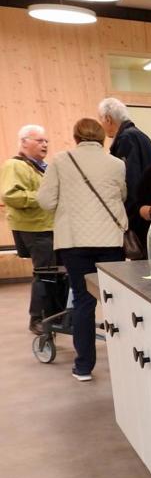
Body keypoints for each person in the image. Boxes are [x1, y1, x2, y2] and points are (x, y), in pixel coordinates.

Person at [38, 118, 127, 381]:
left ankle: (84, 367)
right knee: (115, 302)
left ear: (76, 137)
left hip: (74, 241)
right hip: (110, 240)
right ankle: (126, 362)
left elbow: (45, 201)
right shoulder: (116, 163)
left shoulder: (60, 160)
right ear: (102, 138)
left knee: (83, 302)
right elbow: (121, 195)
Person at [1, 124, 55, 335]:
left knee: (55, 273)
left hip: (50, 226)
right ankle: (38, 318)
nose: (44, 144)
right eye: (39, 140)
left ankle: (54, 314)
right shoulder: (15, 166)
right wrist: (43, 197)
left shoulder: (42, 166)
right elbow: (11, 195)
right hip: (34, 228)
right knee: (44, 273)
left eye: (46, 141)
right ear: (24, 142)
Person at [98, 97, 151, 247]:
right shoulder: (138, 135)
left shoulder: (127, 138)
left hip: (139, 213)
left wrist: (128, 218)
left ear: (108, 119)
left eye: (101, 120)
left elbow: (130, 180)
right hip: (147, 208)